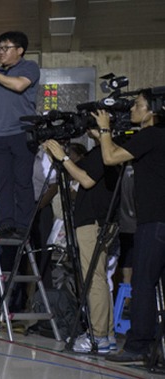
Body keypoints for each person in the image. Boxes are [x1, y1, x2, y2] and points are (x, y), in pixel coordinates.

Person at [93, 90, 165, 363]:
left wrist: (104, 129)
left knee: (143, 283)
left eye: (138, 105)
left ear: (152, 111)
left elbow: (111, 158)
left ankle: (138, 346)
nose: (132, 109)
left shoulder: (150, 135)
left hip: (154, 222)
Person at [41, 136, 118, 354]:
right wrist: (55, 156)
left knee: (94, 279)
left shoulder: (102, 153)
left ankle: (99, 336)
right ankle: (106, 334)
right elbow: (70, 172)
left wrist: (63, 156)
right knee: (98, 278)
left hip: (93, 222)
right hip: (98, 222)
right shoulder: (104, 153)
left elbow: (85, 180)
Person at [0, 31, 40, 239]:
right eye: (0, 48)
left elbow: (19, 85)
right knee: (2, 182)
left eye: (6, 48)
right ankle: (6, 223)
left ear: (20, 50)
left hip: (22, 133)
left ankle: (23, 224)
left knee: (22, 181)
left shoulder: (28, 67)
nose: (1, 53)